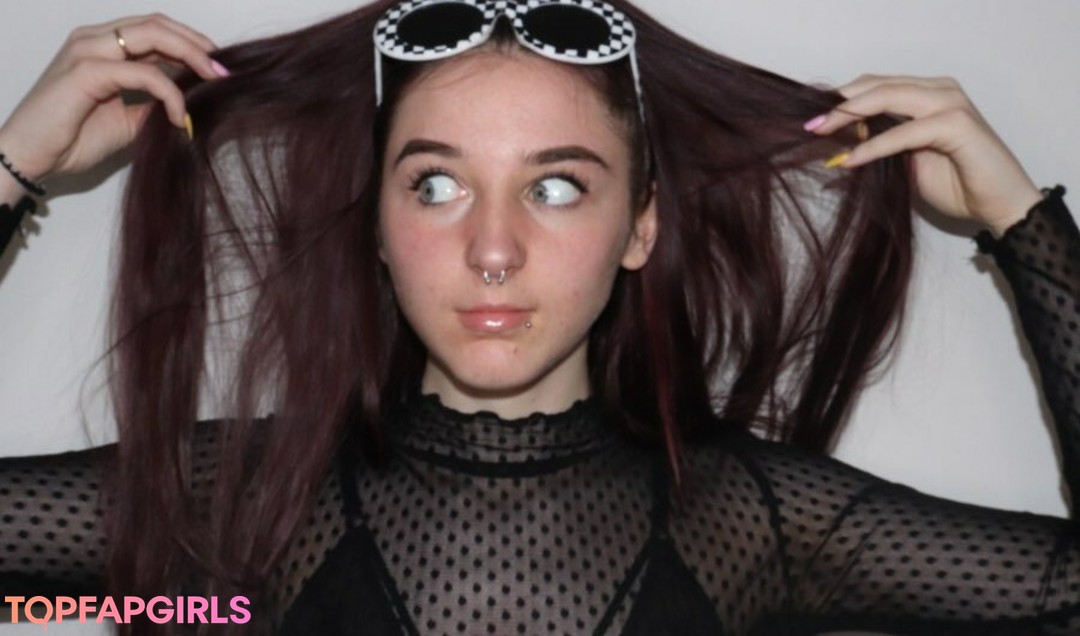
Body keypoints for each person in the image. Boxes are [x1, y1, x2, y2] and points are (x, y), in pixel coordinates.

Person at [0, 0, 1076, 634]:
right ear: (376, 226)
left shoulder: (756, 517)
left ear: (640, 226)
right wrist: (10, 168)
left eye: (556, 186)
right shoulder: (237, 498)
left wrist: (1025, 228)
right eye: (435, 185)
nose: (494, 248)